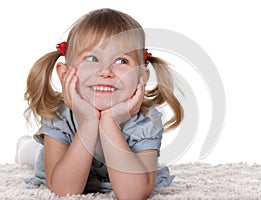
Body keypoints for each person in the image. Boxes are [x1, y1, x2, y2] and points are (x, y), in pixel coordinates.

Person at [17, 8, 183, 199]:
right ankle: (24, 147)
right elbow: (64, 190)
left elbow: (133, 194)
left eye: (121, 61)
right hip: (58, 163)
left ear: (142, 77)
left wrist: (109, 121)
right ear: (65, 74)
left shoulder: (145, 121)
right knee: (34, 154)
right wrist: (88, 122)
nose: (105, 71)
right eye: (92, 58)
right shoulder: (60, 114)